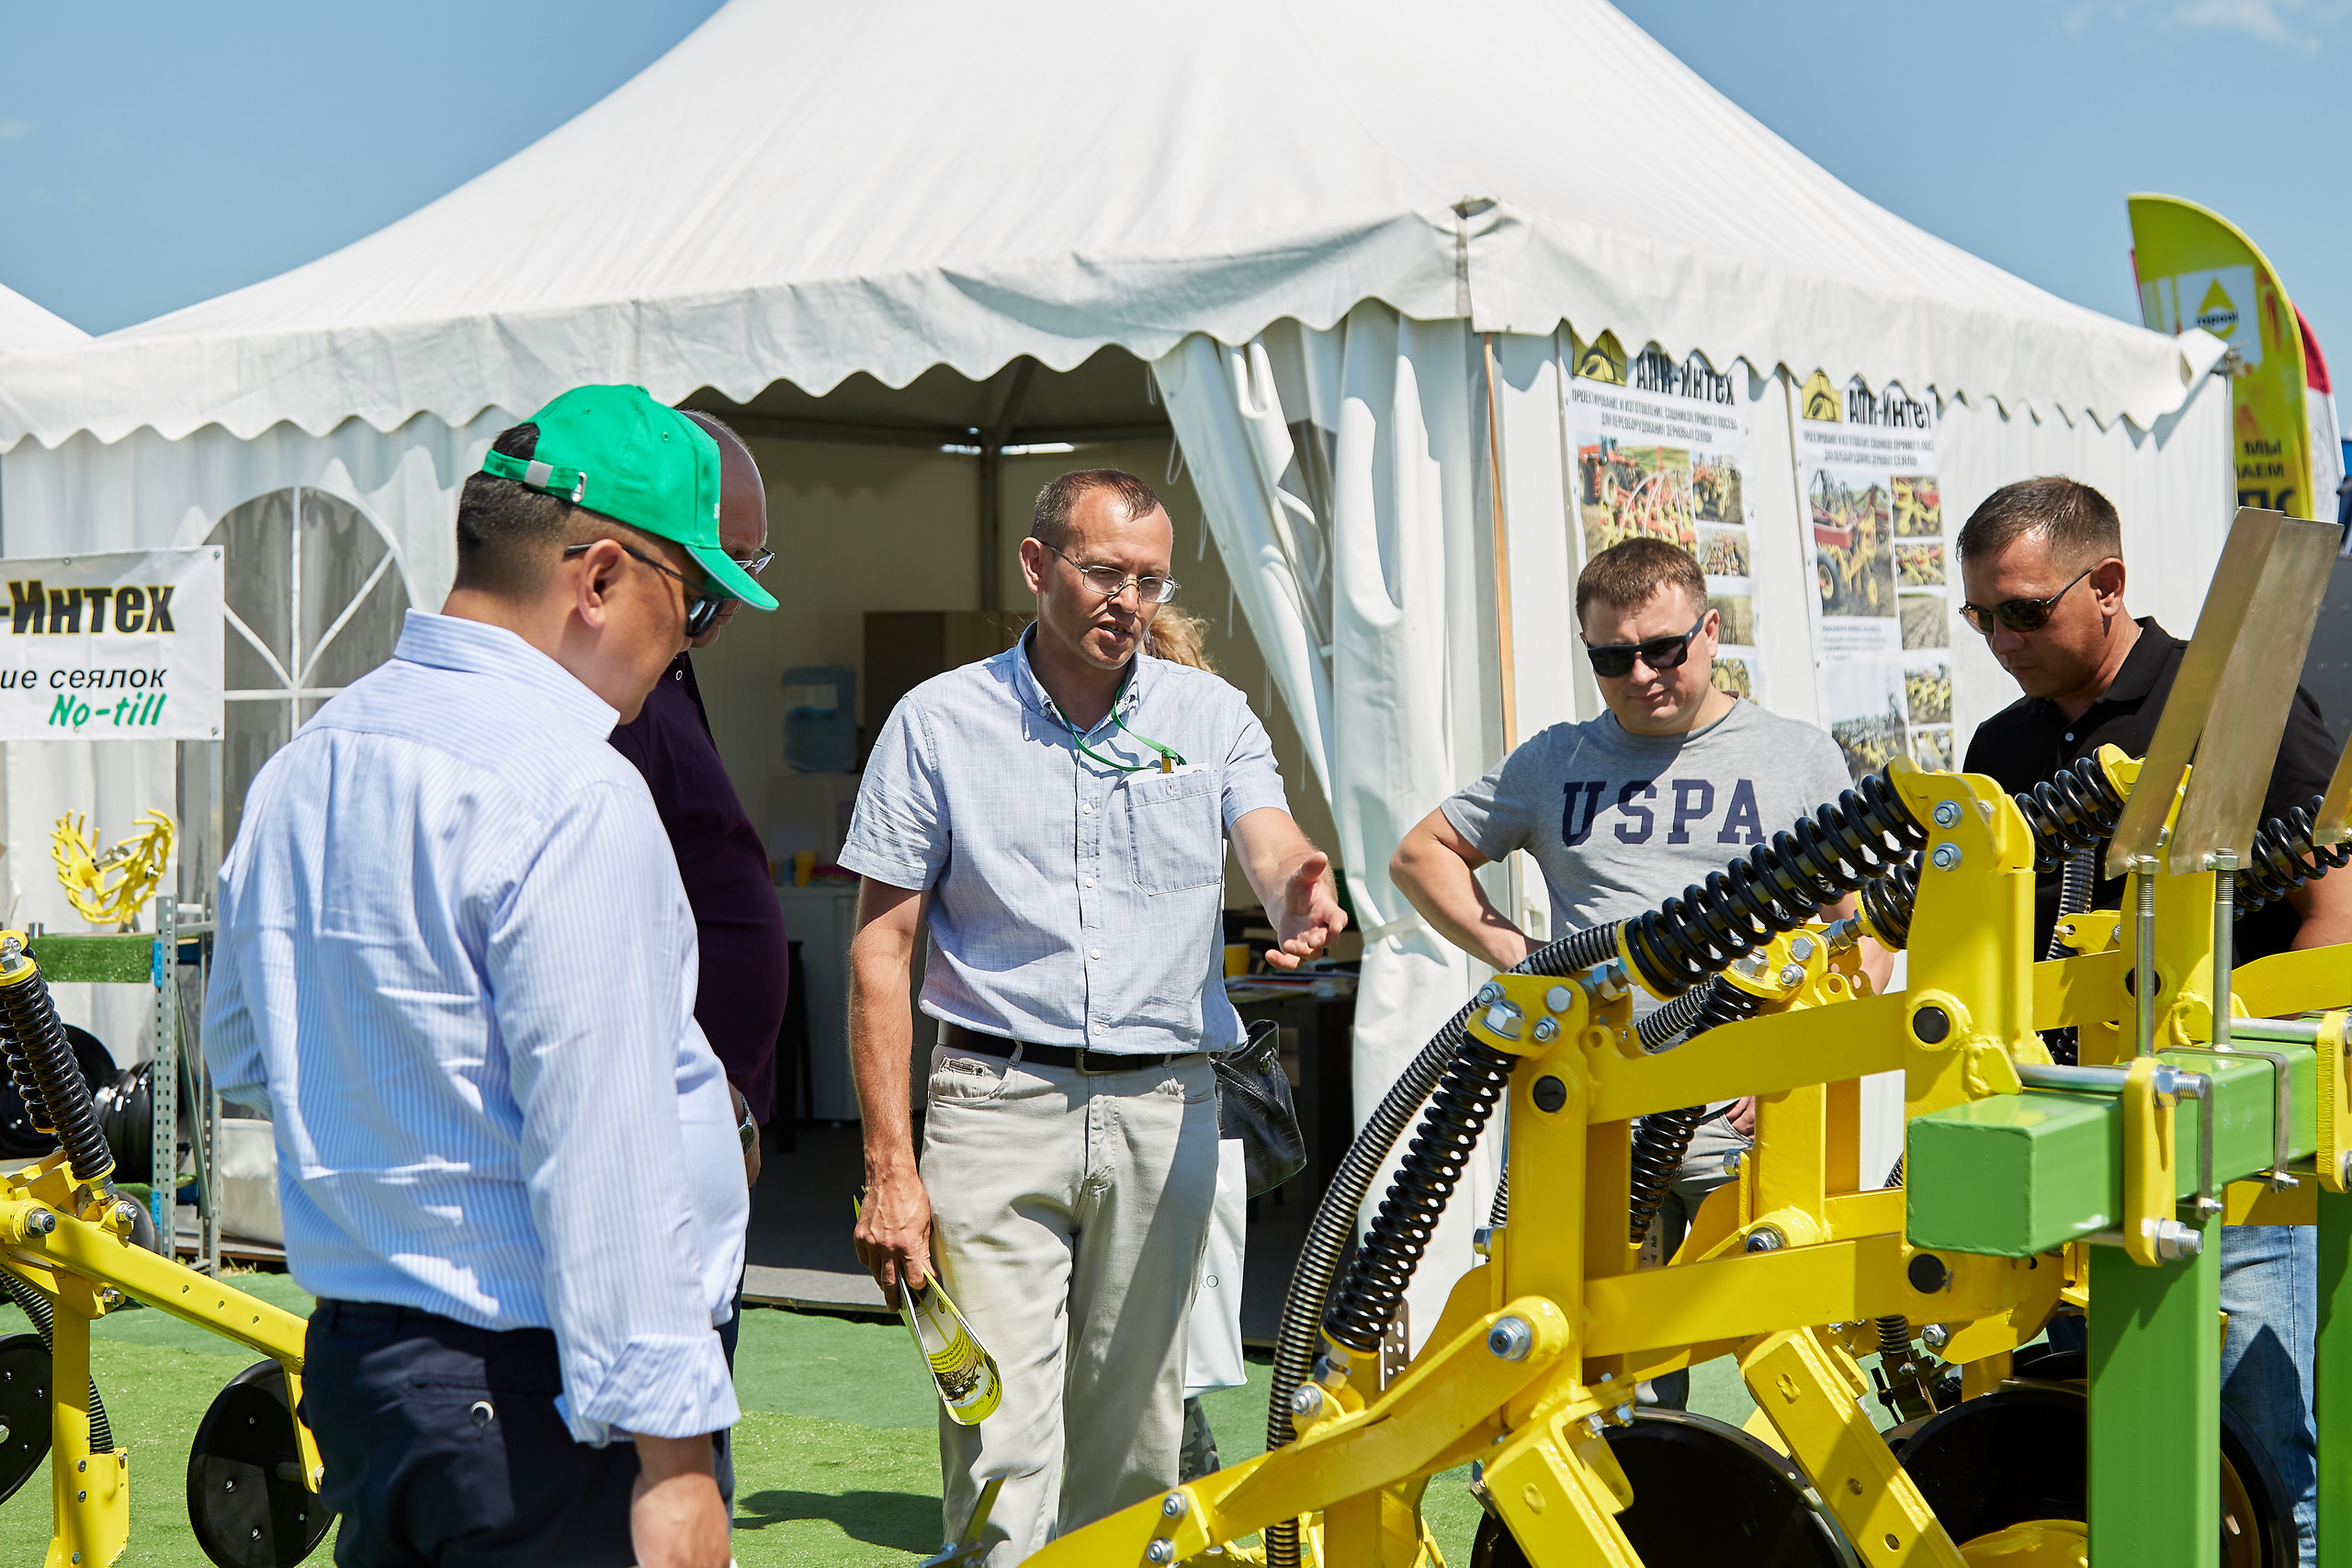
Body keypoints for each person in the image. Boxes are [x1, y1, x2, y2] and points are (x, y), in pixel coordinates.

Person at [203, 385, 778, 1568]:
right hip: (543, 1397)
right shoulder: (573, 788)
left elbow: (245, 1050)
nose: (691, 647)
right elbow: (602, 1147)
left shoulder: (311, 760)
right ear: (601, 578)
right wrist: (673, 1459)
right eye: (699, 603)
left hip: (369, 1368)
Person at [842, 468, 1348, 1563]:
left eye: (1151, 580)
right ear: (1037, 566)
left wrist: (1294, 882)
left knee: (1137, 1447)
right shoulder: (937, 721)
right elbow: (881, 949)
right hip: (991, 1098)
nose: (1131, 600)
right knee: (1000, 1447)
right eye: (1105, 572)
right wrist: (889, 1166)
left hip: (1167, 1104)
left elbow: (1266, 838)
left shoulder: (1208, 714)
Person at [1388, 537, 1890, 1400]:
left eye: (1665, 648)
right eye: (1614, 658)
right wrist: (1527, 960)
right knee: (1575, 1349)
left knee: (1787, 1336)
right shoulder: (1556, 761)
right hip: (1582, 1095)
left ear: (1712, 631)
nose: (1643, 674)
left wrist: (1799, 1055)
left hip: (1739, 1098)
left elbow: (1868, 927)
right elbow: (1421, 853)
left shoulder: (1795, 755)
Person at [1957, 476, 2352, 1568]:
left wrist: (2242, 1079)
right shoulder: (2003, 747)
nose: (2001, 639)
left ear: (2109, 585)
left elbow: (2332, 907)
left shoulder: (2226, 698)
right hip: (2071, 1146)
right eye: (1981, 616)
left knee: (2254, 1460)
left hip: (2222, 1150)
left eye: (2025, 611)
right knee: (2097, 1443)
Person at [608, 410, 788, 1345]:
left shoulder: (661, 673)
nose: (723, 615)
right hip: (648, 1175)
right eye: (715, 576)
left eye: (749, 570)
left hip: (688, 1162)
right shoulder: (602, 705)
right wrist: (723, 1111)